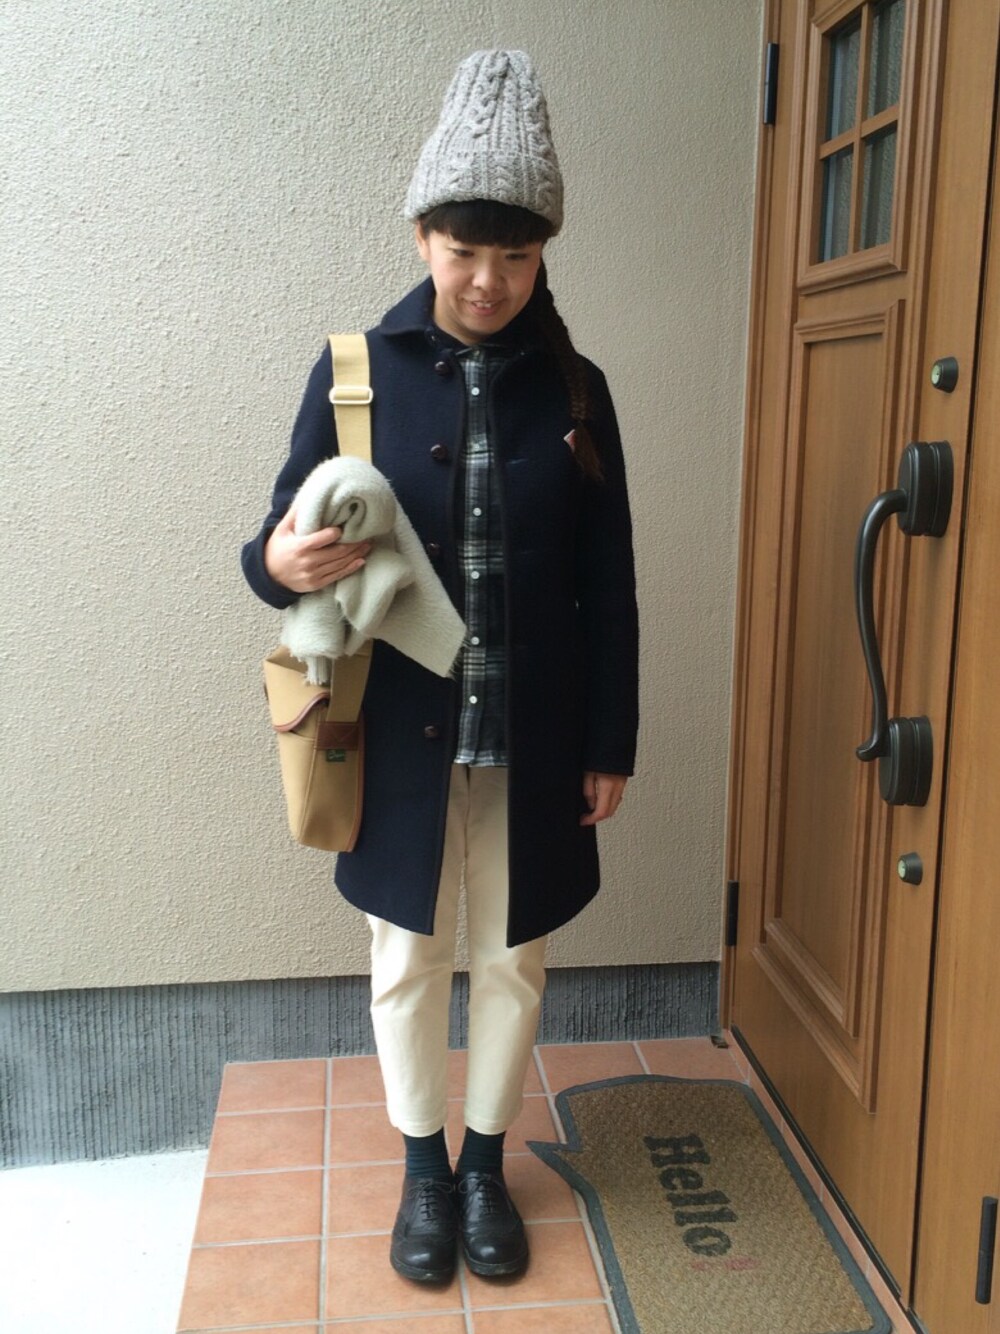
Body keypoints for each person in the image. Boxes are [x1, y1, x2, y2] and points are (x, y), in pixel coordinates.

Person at [242, 49, 638, 1285]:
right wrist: (279, 561)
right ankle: (423, 1168)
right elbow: (272, 548)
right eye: (464, 249)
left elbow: (610, 584)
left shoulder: (578, 389)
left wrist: (609, 741)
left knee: (513, 953)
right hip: (397, 729)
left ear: (542, 254)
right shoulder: (353, 373)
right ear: (421, 235)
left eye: (514, 255)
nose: (487, 280)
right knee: (406, 951)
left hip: (534, 731)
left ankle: (484, 1166)